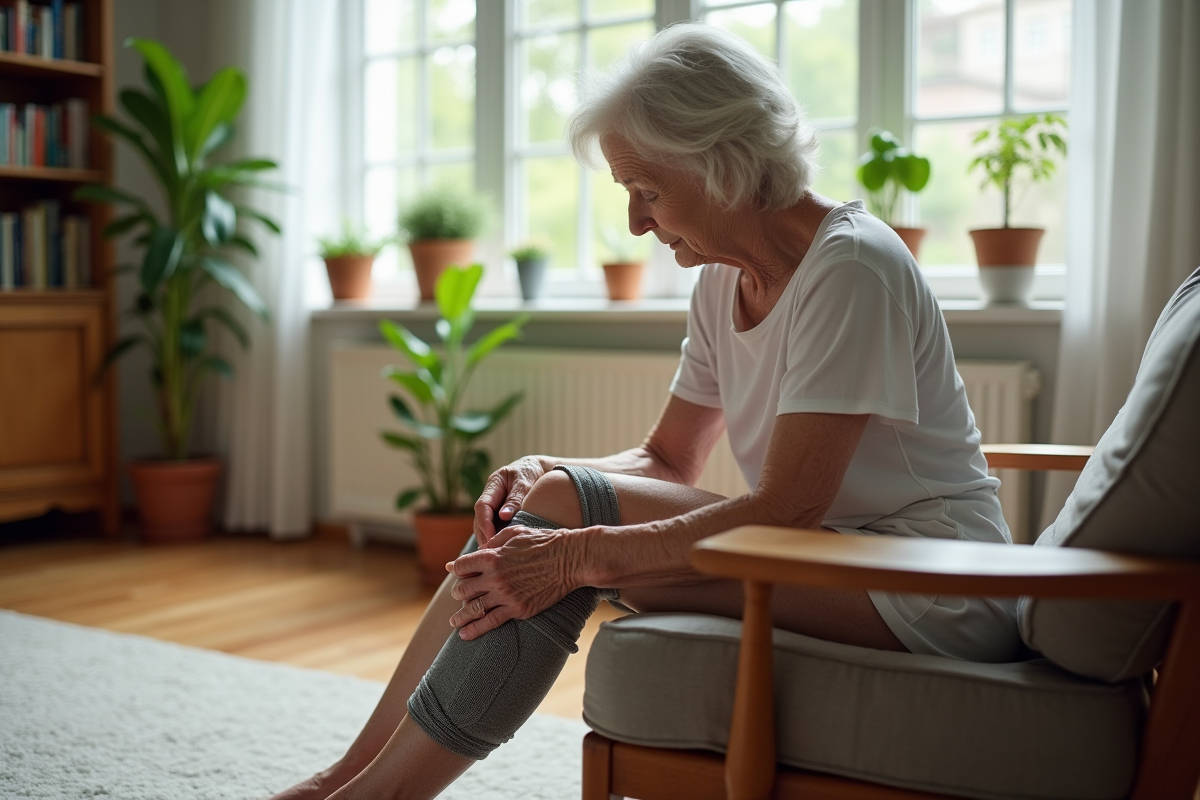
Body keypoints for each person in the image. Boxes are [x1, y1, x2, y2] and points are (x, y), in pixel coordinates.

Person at [273, 23, 1019, 800]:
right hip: (829, 557)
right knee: (542, 500)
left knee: (563, 529)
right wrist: (543, 473)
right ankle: (342, 780)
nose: (635, 222)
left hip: (932, 583)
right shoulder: (720, 279)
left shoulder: (852, 266)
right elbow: (668, 458)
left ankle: (373, 798)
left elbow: (789, 508)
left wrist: (577, 553)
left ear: (725, 166)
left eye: (648, 192)